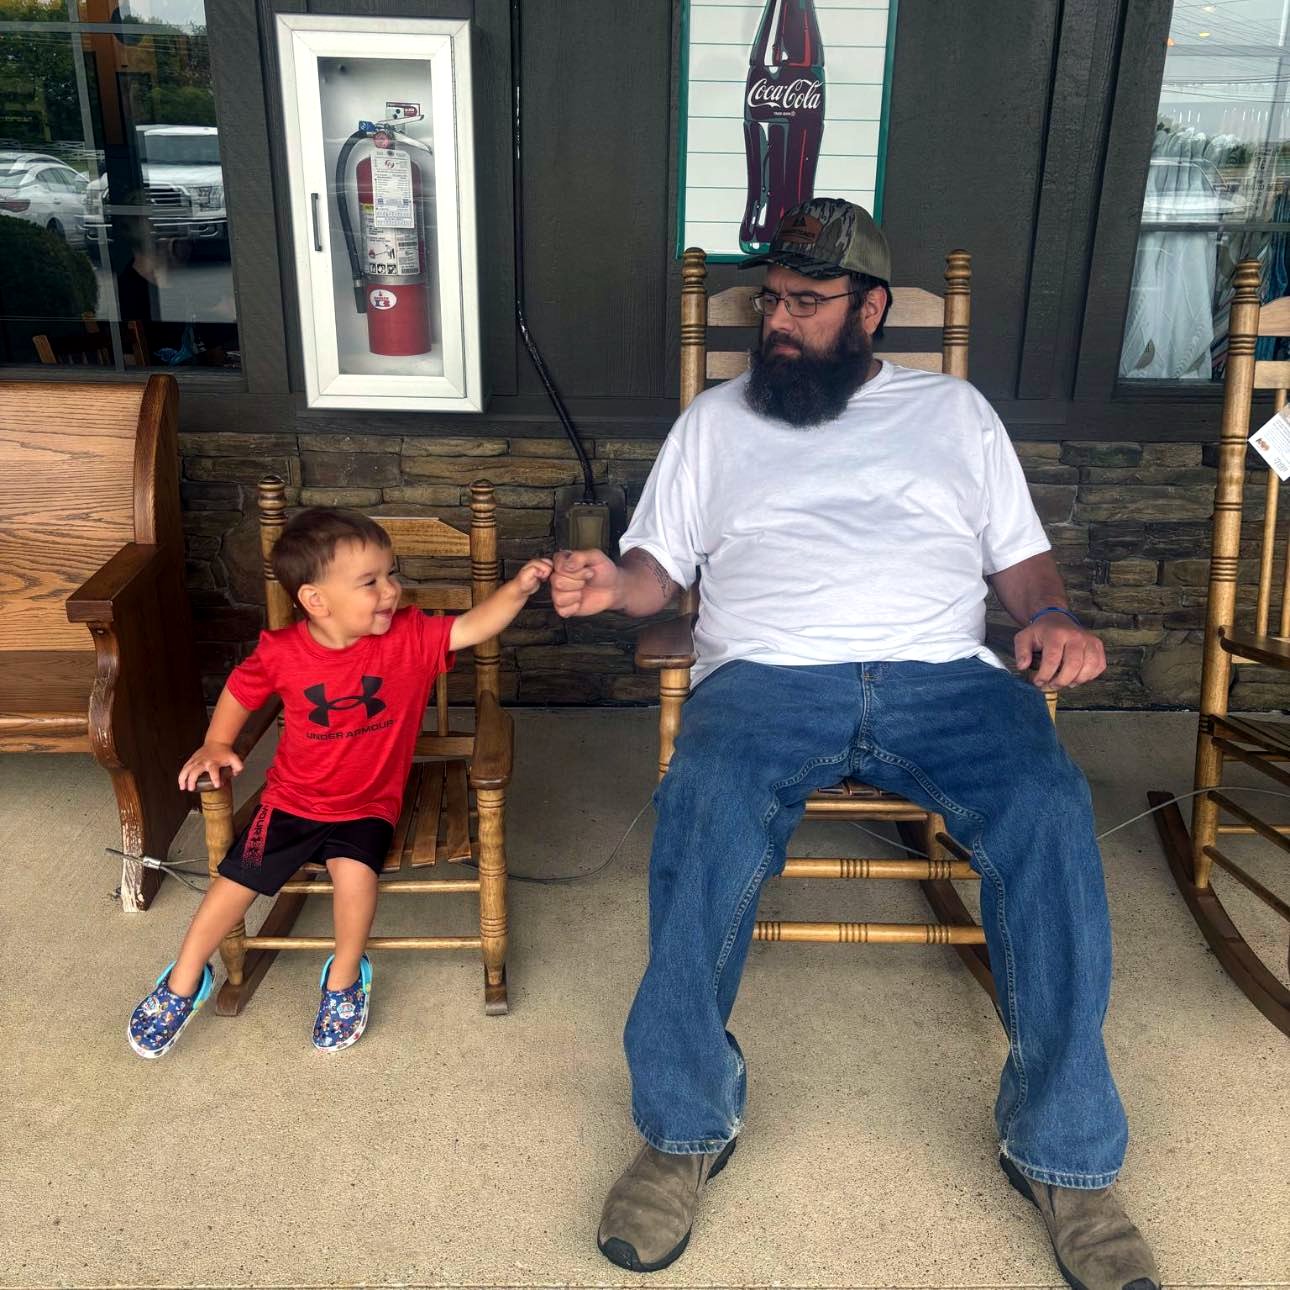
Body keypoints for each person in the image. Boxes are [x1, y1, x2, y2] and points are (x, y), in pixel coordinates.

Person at [550, 198, 1159, 1290]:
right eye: (767, 302)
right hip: (767, 679)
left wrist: (1052, 618)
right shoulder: (716, 422)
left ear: (871, 308)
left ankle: (1063, 1153)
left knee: (1050, 814)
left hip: (945, 679)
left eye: (806, 302)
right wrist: (613, 586)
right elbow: (659, 574)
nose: (776, 323)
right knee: (703, 813)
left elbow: (1022, 568)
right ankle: (684, 1129)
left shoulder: (956, 415)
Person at [127, 507, 551, 1057]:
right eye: (370, 582)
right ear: (316, 600)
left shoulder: (410, 638)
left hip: (368, 805)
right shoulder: (282, 653)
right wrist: (216, 742)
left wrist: (517, 589)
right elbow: (241, 688)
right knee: (237, 879)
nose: (391, 590)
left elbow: (473, 626)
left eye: (391, 574)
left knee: (356, 883)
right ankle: (186, 977)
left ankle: (345, 976)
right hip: (291, 801)